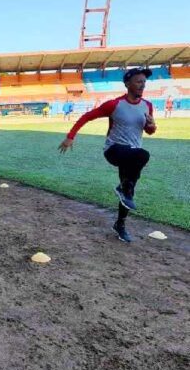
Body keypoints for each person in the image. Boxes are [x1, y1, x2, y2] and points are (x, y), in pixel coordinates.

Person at [58, 67, 157, 242]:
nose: (142, 85)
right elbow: (87, 116)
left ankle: (120, 224)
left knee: (128, 193)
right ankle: (124, 187)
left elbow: (149, 131)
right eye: (138, 81)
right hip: (114, 150)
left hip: (132, 154)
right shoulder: (114, 104)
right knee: (143, 155)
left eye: (144, 82)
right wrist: (70, 136)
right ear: (127, 84)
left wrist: (152, 125)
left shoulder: (147, 106)